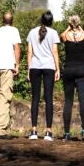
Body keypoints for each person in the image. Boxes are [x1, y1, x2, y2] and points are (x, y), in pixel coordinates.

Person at [26, 10, 61, 141]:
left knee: (35, 98)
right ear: (51, 21)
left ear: (41, 20)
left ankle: (34, 130)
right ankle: (48, 131)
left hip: (35, 66)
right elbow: (55, 52)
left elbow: (29, 51)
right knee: (48, 98)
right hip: (49, 67)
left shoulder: (31, 32)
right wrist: (58, 69)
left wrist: (28, 69)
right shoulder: (53, 33)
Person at [0, 11, 21, 139]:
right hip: (7, 67)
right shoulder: (14, 31)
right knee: (5, 97)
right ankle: (0, 130)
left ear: (2, 20)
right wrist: (16, 65)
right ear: (12, 21)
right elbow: (16, 48)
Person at [60, 14, 84, 141]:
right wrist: (78, 27)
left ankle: (67, 134)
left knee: (68, 102)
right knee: (83, 100)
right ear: (79, 23)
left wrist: (69, 28)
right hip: (82, 69)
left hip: (68, 69)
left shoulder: (65, 36)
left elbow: (62, 35)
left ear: (69, 23)